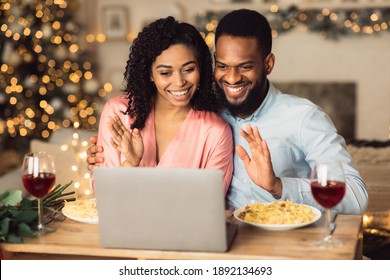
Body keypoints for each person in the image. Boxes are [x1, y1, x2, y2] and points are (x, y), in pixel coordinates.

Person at [88, 9, 368, 214]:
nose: (232, 78)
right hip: (221, 243)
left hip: (288, 242)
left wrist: (279, 186)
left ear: (268, 63)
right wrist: (117, 165)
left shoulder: (303, 118)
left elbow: (356, 196)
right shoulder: (207, 109)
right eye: (223, 66)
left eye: (245, 66)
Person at [93, 16, 233, 193]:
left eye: (188, 69)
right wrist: (130, 164)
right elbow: (103, 194)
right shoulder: (118, 112)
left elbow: (209, 204)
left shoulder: (215, 132)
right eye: (166, 73)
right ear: (150, 73)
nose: (179, 82)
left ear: (201, 68)